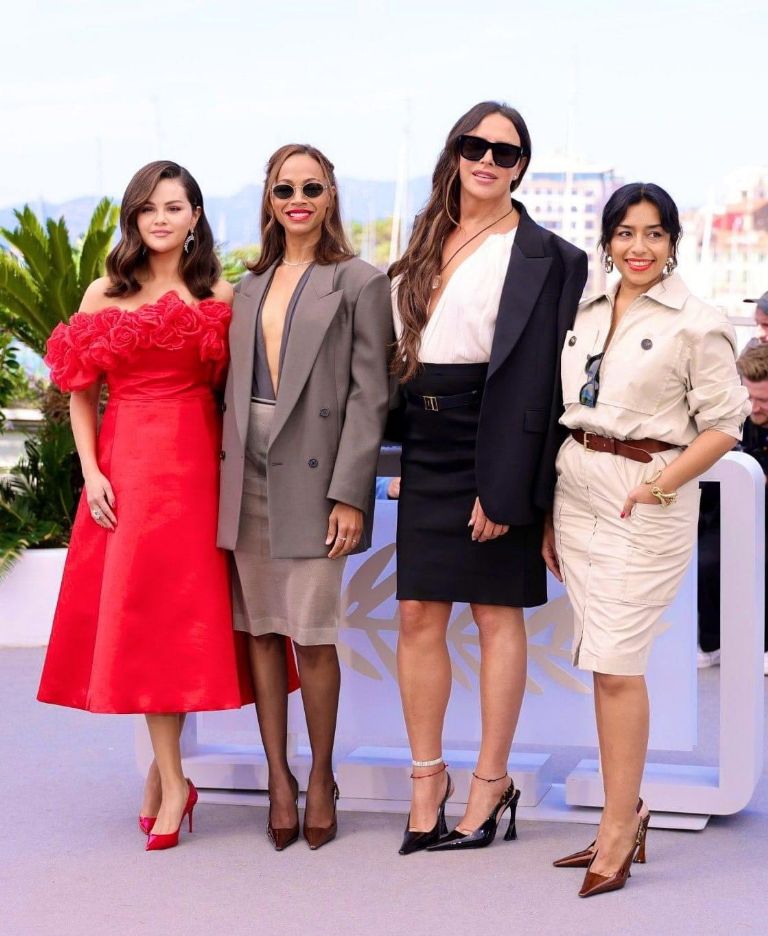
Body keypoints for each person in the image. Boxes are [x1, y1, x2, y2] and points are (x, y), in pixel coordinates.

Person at [37, 160, 279, 852]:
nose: (162, 219)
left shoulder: (220, 293)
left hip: (200, 471)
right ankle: (173, 779)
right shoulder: (102, 293)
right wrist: (92, 472)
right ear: (134, 220)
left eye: (175, 206)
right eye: (149, 209)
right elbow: (81, 391)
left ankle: (165, 776)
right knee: (142, 624)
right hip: (128, 471)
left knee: (180, 625)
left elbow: (247, 396)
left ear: (196, 216)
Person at [389, 101, 587, 855]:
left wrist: (507, 486)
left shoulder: (551, 257)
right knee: (416, 615)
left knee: (495, 615)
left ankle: (490, 782)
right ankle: (425, 781)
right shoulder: (423, 239)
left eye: (506, 153)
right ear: (457, 152)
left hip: (495, 440)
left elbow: (551, 386)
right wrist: (406, 456)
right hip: (427, 439)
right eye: (476, 145)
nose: (489, 160)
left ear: (521, 168)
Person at [545, 182, 749, 897]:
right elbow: (564, 408)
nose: (639, 246)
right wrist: (547, 512)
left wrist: (658, 487)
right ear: (608, 240)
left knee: (618, 662)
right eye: (626, 232)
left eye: (654, 234)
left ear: (673, 243)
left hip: (644, 500)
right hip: (577, 491)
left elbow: (726, 424)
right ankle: (621, 812)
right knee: (602, 665)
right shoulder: (584, 311)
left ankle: (617, 829)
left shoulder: (698, 321)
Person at [217, 144, 392, 851]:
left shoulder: (358, 281)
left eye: (311, 187)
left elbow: (370, 395)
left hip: (317, 479)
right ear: (268, 197)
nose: (297, 198)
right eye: (284, 187)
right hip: (247, 475)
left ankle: (321, 776)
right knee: (260, 630)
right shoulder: (246, 285)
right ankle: (277, 777)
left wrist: (350, 495)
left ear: (329, 198)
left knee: (312, 634)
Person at [698, 341, 768, 674]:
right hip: (728, 517)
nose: (755, 408)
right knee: (703, 561)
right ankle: (711, 643)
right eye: (750, 398)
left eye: (764, 401)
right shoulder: (731, 417)